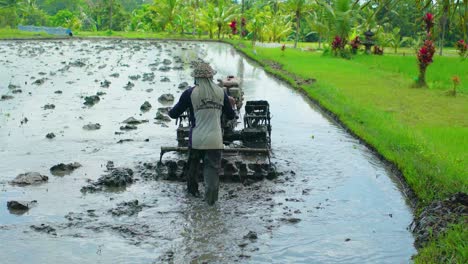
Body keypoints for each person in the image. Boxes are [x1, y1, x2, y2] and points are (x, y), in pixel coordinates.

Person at [169, 62, 236, 205]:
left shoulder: (190, 93)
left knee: (192, 168)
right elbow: (231, 115)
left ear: (196, 79)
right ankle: (210, 203)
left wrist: (170, 110)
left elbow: (174, 114)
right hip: (215, 140)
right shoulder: (221, 92)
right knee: (212, 171)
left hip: (196, 140)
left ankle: (193, 198)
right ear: (211, 77)